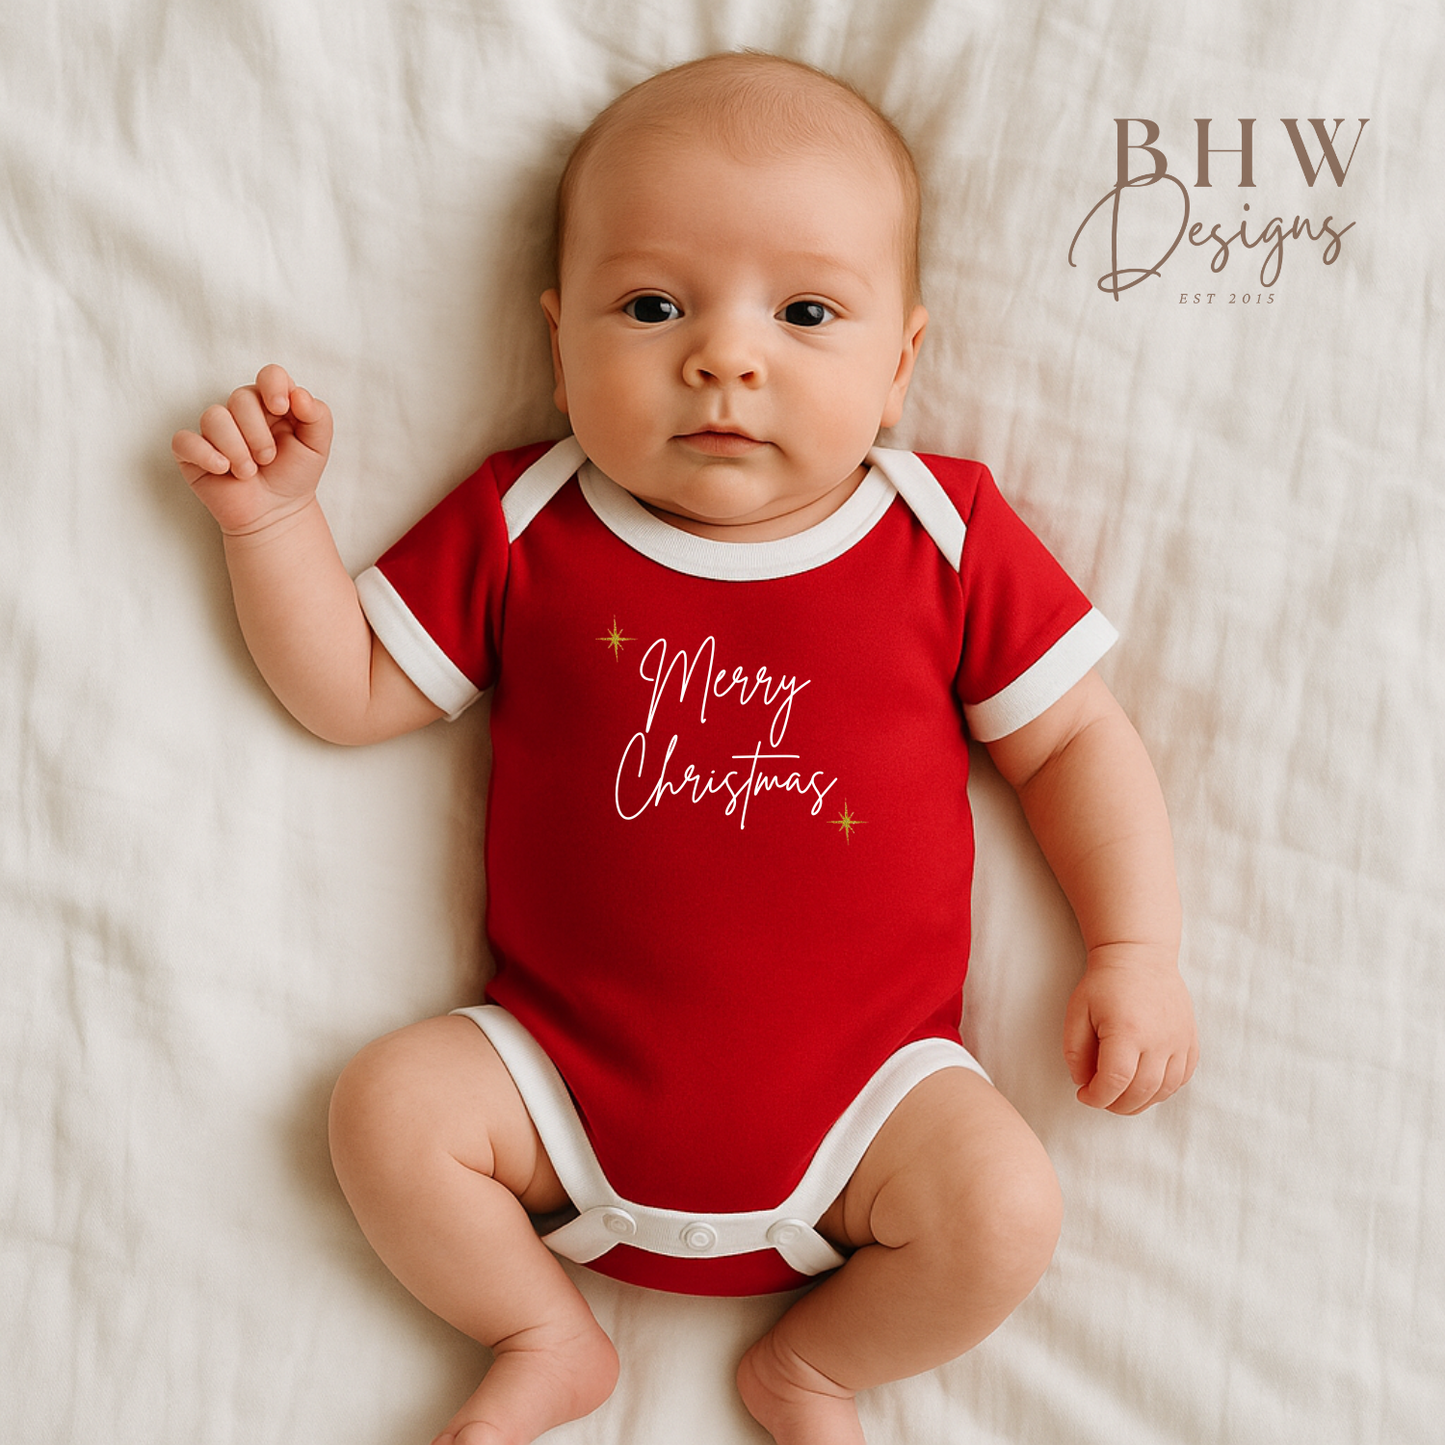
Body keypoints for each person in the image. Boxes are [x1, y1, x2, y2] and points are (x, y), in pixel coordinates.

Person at [172, 50, 1197, 1445]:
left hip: (871, 1110)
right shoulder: (530, 524)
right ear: (557, 343)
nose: (727, 353)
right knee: (387, 1110)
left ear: (900, 363)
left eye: (808, 311)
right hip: (557, 1087)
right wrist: (273, 528)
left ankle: (813, 1371)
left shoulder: (939, 536)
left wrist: (1134, 950)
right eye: (650, 305)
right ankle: (545, 1334)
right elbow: (347, 687)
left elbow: (1074, 737)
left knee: (1008, 1209)